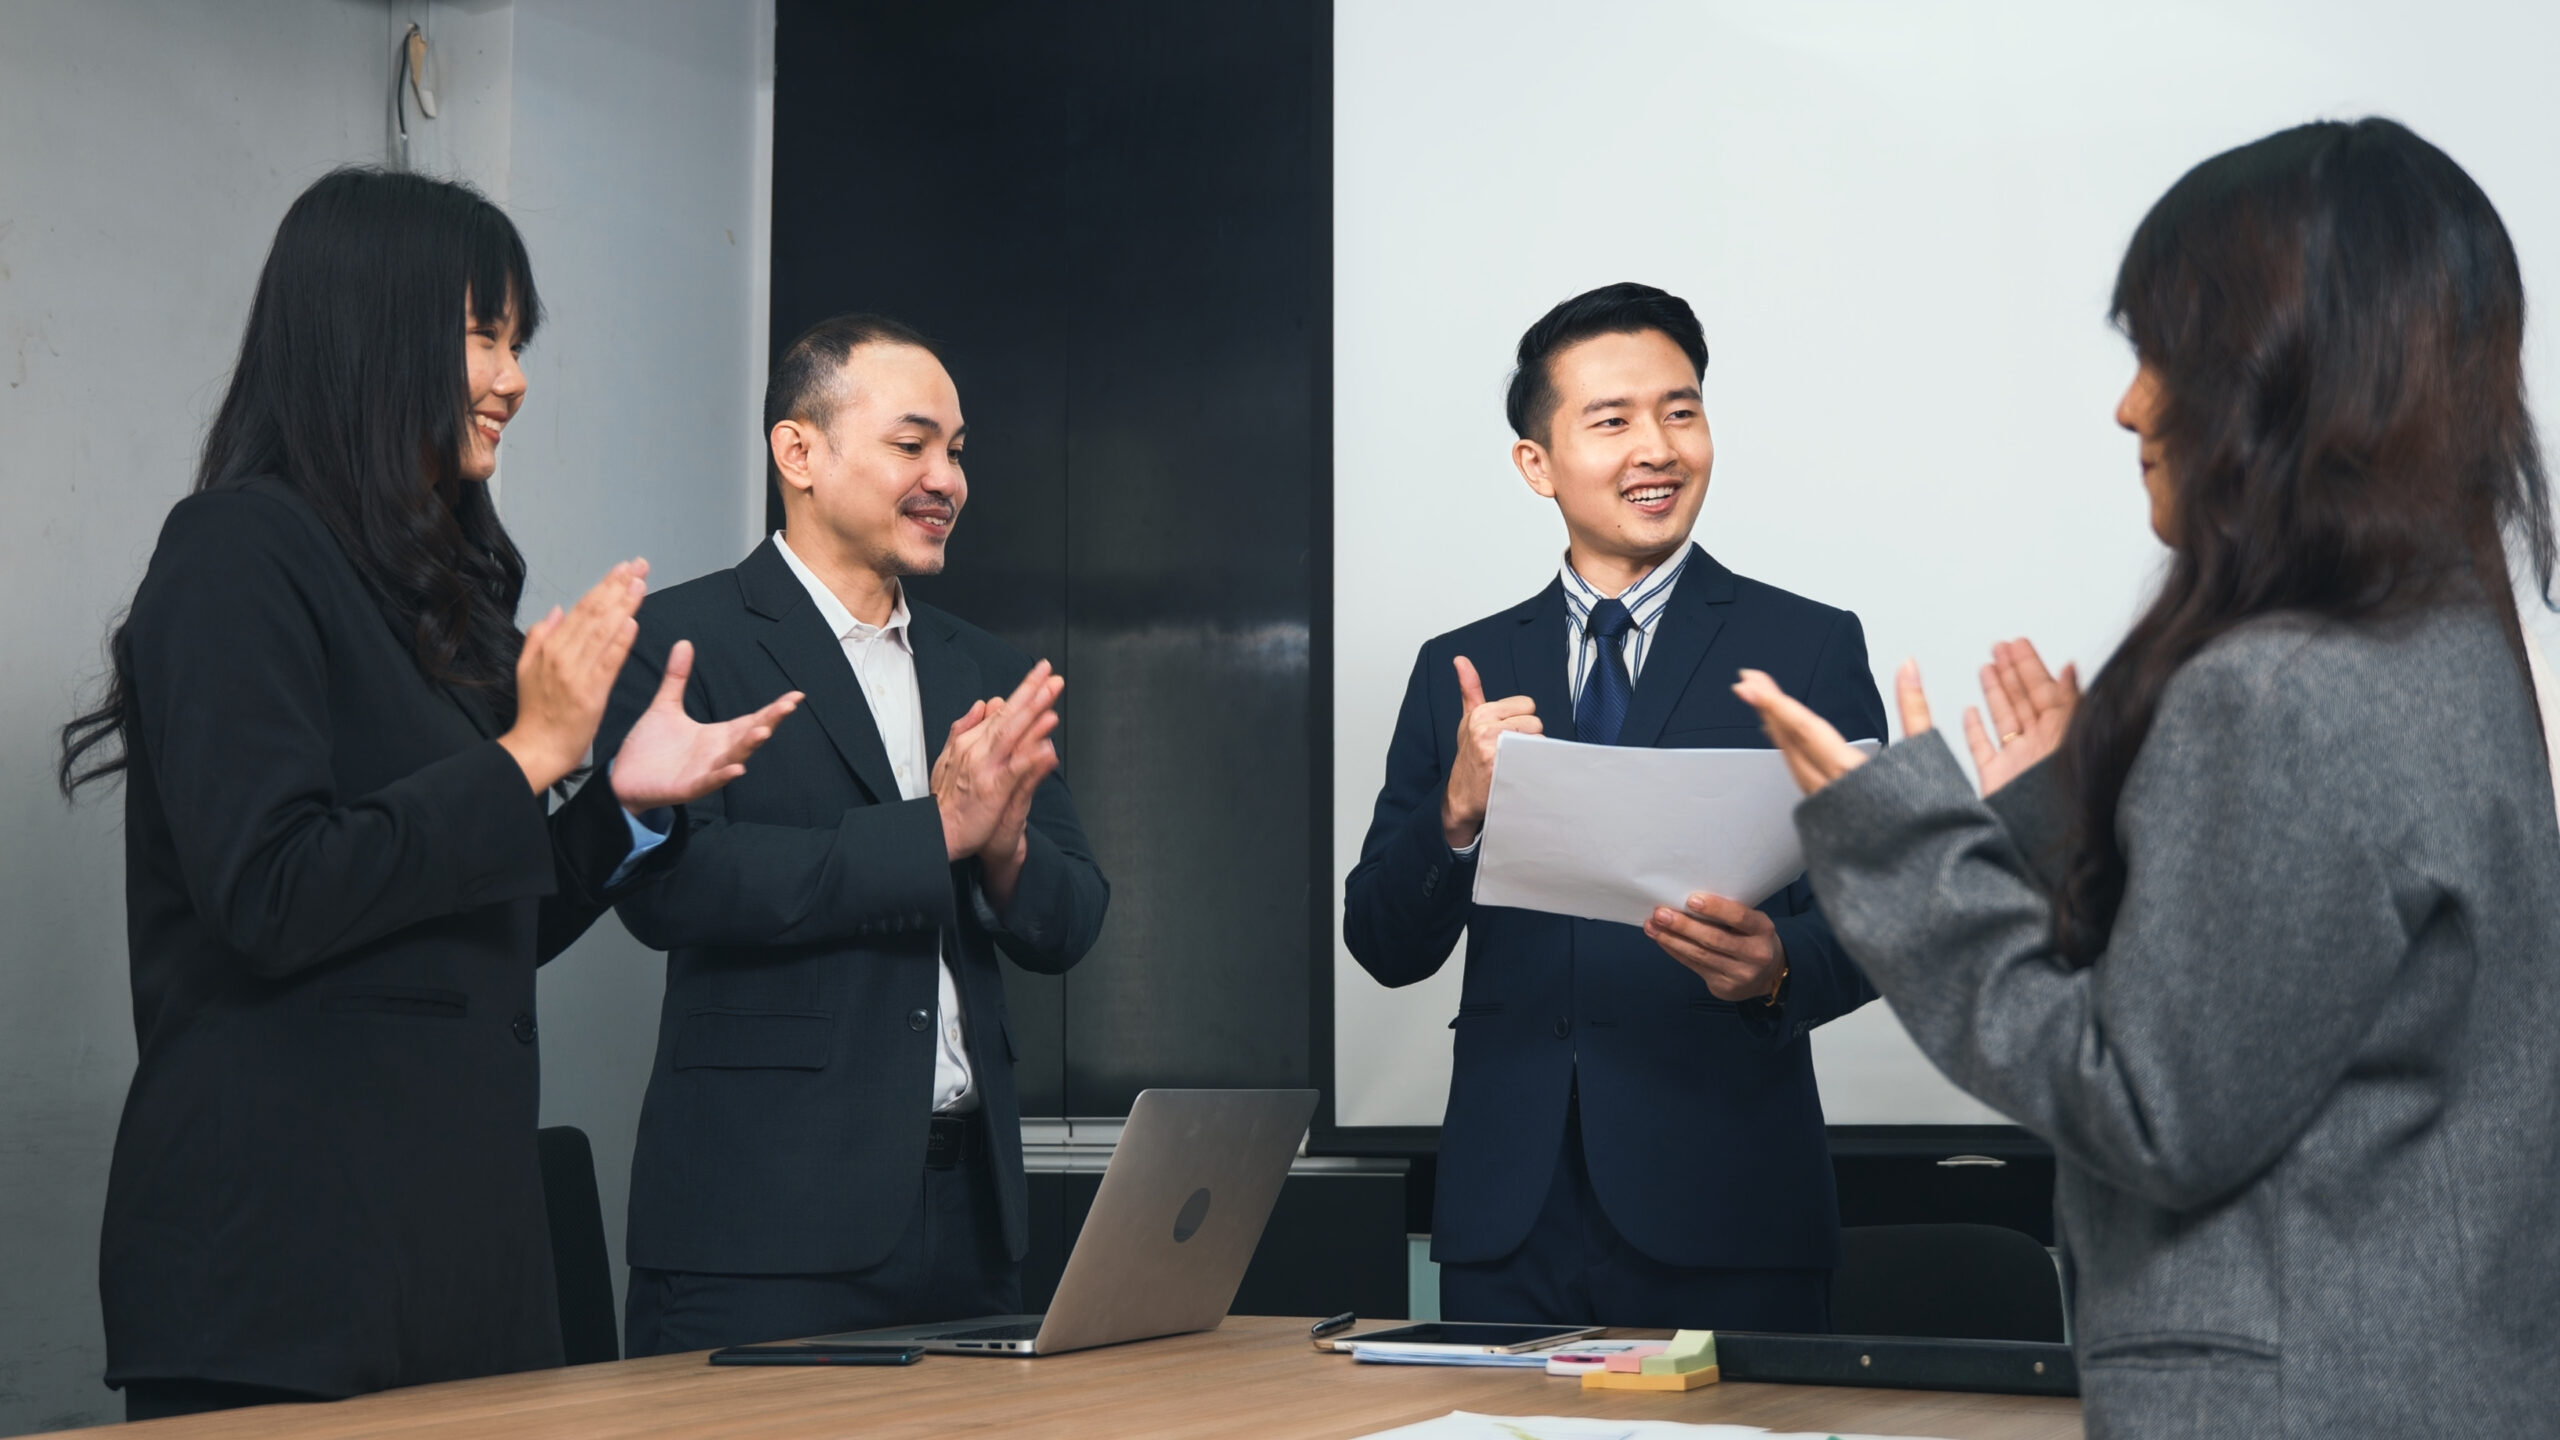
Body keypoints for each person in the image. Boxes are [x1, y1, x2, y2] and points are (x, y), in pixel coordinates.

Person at [1736, 118, 2560, 1436]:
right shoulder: (2460, 651)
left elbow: (2150, 1105)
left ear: (2282, 378)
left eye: (2163, 355)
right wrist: (2070, 818)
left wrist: (1905, 841)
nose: (2131, 405)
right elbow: (2296, 1009)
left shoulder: (2282, 692)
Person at [58, 169, 798, 1420]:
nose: (513, 378)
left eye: (520, 342)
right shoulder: (235, 550)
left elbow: (471, 926)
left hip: (460, 1271)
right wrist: (525, 755)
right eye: (480, 333)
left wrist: (621, 803)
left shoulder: (440, 590)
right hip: (283, 1282)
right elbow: (273, 893)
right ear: (367, 329)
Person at [1343, 283, 1884, 1331]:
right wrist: (1452, 819)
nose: (1659, 448)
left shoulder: (1810, 647)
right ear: (1535, 464)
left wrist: (1779, 968)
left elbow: (1883, 915)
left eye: (1681, 412)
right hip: (1511, 1219)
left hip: (1730, 1206)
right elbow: (1382, 940)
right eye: (1613, 420)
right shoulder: (1461, 667)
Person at [599, 313, 1110, 1356]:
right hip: (764, 1229)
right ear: (798, 452)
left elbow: (1069, 922)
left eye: (958, 452)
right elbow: (670, 887)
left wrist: (1002, 847)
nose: (947, 479)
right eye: (911, 444)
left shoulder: (986, 668)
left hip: (972, 1223)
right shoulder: (680, 644)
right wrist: (940, 831)